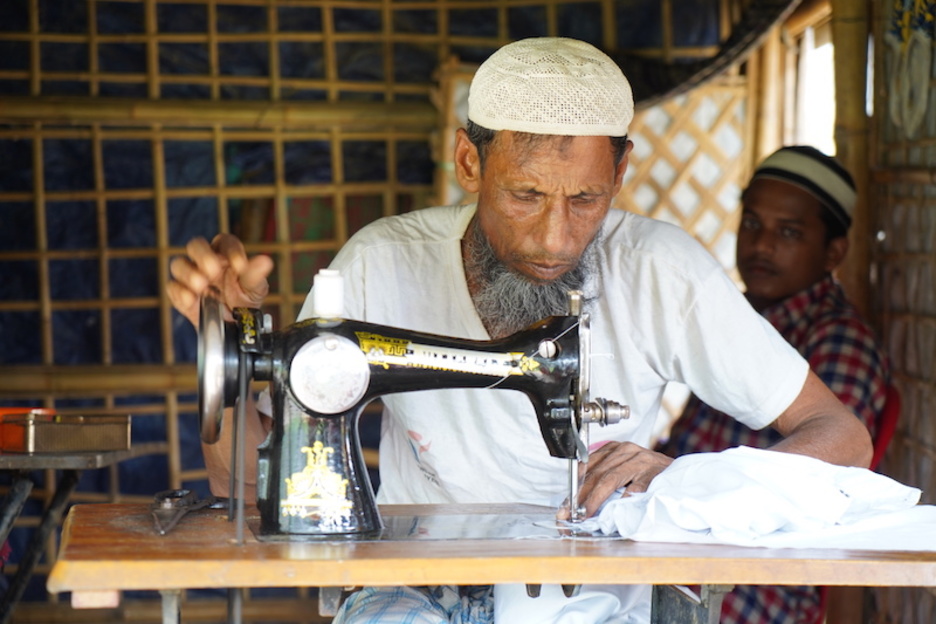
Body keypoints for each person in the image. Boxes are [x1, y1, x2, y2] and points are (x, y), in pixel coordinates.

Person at [167, 38, 872, 624]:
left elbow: (843, 435)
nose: (556, 237)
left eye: (586, 198)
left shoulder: (663, 271)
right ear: (470, 163)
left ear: (621, 172)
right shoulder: (382, 265)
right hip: (414, 589)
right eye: (526, 195)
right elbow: (244, 490)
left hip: (593, 596)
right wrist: (230, 350)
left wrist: (694, 480)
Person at [660, 146, 890, 624]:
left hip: (756, 572)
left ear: (834, 252)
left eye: (788, 232)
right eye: (752, 223)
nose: (761, 245)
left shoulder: (839, 343)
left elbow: (820, 482)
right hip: (693, 538)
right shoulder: (740, 319)